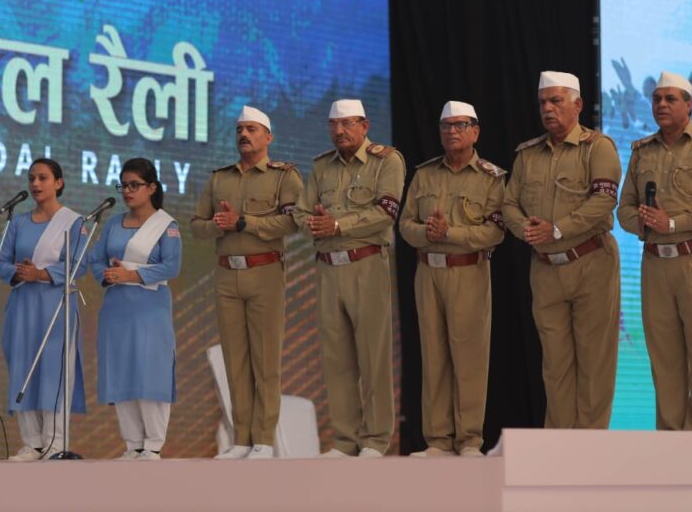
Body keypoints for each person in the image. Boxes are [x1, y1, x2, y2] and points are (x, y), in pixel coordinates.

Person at [617, 71, 692, 430]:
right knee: (664, 360)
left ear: (689, 104)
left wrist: (672, 224)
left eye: (670, 99)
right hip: (656, 265)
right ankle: (670, 443)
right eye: (657, 99)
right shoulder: (641, 151)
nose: (661, 105)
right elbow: (624, 209)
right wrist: (646, 224)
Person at [501, 72, 622, 429]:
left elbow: (604, 201)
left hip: (591, 263)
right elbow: (508, 204)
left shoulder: (597, 147)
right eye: (543, 102)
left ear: (578, 105)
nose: (548, 109)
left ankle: (590, 446)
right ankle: (558, 446)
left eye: (556, 101)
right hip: (545, 268)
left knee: (594, 363)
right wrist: (527, 229)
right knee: (554, 365)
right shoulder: (528, 154)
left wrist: (556, 229)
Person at [191, 106, 303, 460]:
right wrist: (218, 225)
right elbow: (196, 226)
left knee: (265, 361)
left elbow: (293, 222)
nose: (244, 135)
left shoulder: (284, 176)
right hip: (227, 275)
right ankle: (241, 439)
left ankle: (264, 440)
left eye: (252, 129)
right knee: (234, 361)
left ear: (268, 136)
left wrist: (244, 223)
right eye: (240, 129)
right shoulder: (219, 179)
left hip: (265, 272)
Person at [294, 99, 404, 458]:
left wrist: (339, 224)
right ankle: (344, 440)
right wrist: (313, 223)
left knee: (373, 357)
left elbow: (386, 212)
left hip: (366, 264)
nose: (339, 131)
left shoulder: (386, 161)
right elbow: (301, 212)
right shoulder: (321, 165)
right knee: (336, 360)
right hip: (327, 268)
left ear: (365, 125)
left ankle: (375, 439)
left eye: (346, 124)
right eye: (333, 125)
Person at [399, 101, 506, 458]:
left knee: (469, 357)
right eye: (446, 126)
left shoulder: (491, 177)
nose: (452, 132)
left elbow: (495, 232)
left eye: (460, 125)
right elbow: (405, 225)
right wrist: (427, 233)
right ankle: (438, 440)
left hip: (468, 271)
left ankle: (469, 440)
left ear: (476, 131)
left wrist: (449, 234)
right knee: (433, 356)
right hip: (428, 272)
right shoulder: (424, 174)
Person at [0, 158, 87, 461]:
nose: (35, 184)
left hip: (55, 306)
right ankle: (32, 443)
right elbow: (1, 263)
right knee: (22, 368)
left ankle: (54, 443)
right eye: (31, 178)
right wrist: (20, 273)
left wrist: (42, 274)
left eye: (43, 178)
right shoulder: (18, 223)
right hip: (22, 306)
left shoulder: (74, 222)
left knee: (53, 370)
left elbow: (79, 264)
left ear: (58, 183)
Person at [91, 158, 182, 460]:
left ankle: (153, 444)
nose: (127, 191)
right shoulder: (113, 223)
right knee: (121, 371)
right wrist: (108, 274)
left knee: (150, 371)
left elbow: (171, 266)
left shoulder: (166, 225)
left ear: (152, 187)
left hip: (150, 309)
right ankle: (133, 444)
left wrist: (131, 275)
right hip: (116, 307)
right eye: (124, 185)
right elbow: (95, 260)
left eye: (134, 185)